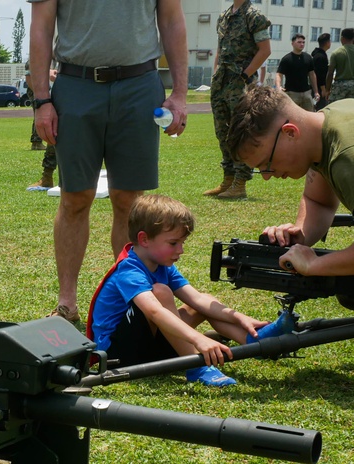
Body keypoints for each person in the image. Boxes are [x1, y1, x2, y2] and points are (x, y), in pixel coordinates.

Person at [29, 0, 189, 328]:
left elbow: (172, 20)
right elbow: (42, 26)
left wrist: (181, 93)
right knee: (74, 197)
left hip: (139, 84)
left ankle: (127, 300)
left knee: (130, 202)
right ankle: (66, 303)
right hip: (76, 84)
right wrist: (42, 99)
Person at [87, 195, 293, 388]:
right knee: (161, 292)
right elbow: (154, 312)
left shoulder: (162, 266)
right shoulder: (129, 270)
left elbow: (196, 300)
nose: (181, 250)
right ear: (144, 239)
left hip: (148, 346)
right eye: (173, 243)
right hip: (118, 355)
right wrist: (197, 338)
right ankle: (197, 367)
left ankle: (253, 341)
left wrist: (241, 318)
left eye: (182, 243)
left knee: (203, 301)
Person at [229, 85, 354, 277]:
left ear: (290, 133)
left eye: (266, 164)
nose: (266, 176)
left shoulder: (347, 156)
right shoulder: (324, 129)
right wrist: (299, 237)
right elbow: (319, 202)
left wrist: (314, 265)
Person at [204, 0, 270, 202]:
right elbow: (220, 49)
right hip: (221, 82)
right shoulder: (224, 16)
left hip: (239, 83)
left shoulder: (254, 15)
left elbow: (264, 50)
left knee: (240, 131)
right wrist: (216, 74)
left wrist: (245, 75)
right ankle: (228, 179)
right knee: (222, 132)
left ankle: (240, 183)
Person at [275, 34, 318, 112]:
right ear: (292, 43)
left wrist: (316, 92)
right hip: (292, 93)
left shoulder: (308, 58)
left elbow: (312, 75)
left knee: (310, 114)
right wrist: (278, 87)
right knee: (292, 115)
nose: (302, 44)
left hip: (306, 93)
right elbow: (279, 74)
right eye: (299, 42)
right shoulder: (286, 59)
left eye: (303, 42)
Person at [325, 28, 354, 103]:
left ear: (342, 38)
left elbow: (330, 73)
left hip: (340, 85)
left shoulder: (336, 53)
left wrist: (327, 90)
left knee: (334, 107)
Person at [312, 32, 332, 110]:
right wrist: (323, 89)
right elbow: (320, 74)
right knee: (321, 108)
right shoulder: (321, 57)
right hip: (319, 88)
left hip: (316, 87)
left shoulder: (318, 54)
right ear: (327, 43)